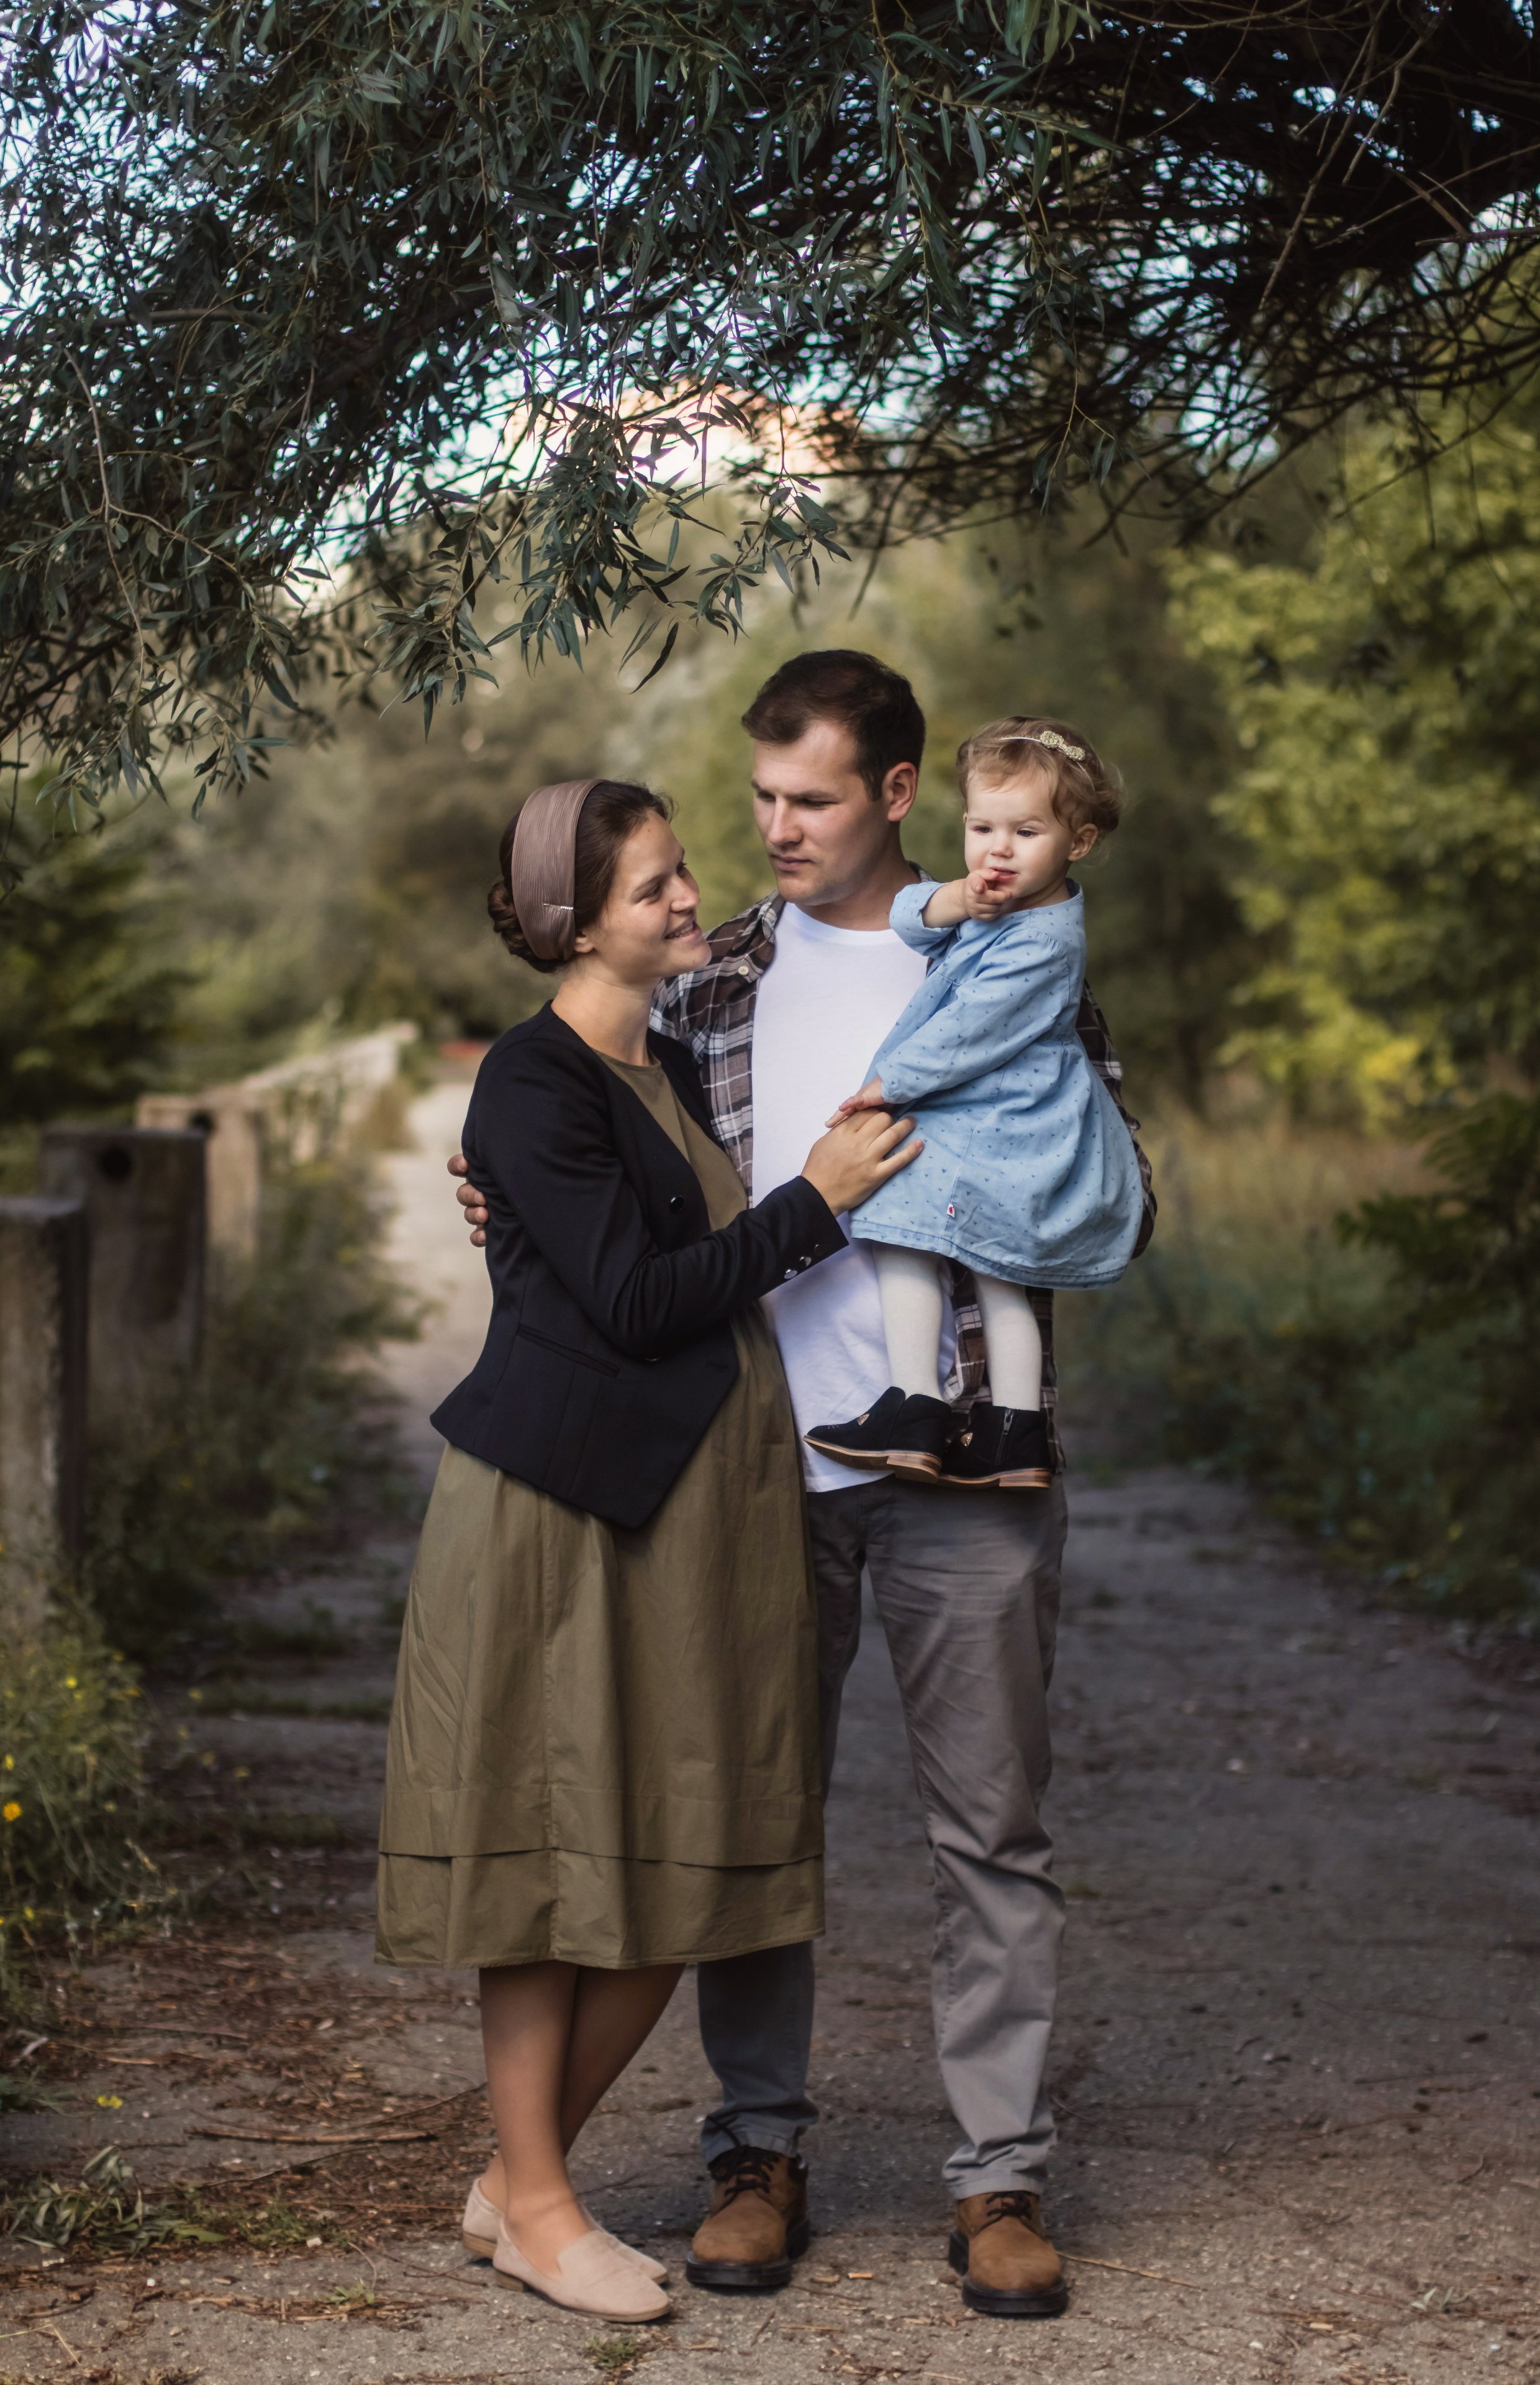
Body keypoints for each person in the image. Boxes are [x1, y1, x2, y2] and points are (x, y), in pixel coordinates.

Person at [450, 656, 1154, 2322]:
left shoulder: (1007, 935)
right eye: (759, 798)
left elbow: (1105, 1167)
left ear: (897, 795)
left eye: (812, 799)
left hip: (963, 1460)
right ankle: (754, 2153)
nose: (774, 830)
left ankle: (999, 2180)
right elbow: (595, 1156)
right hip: (752, 1467)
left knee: (993, 1826)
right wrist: (502, 1187)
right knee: (754, 1826)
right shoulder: (707, 985)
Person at [379, 773, 920, 2325]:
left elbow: (628, 1250)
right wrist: (810, 1205)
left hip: (670, 1513)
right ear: (572, 920)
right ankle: (540, 2203)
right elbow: (632, 1300)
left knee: (669, 1873)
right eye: (653, 888)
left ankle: (514, 2174)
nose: (688, 901)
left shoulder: (666, 1056)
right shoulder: (530, 1084)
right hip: (556, 1514)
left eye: (682, 876)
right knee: (550, 1868)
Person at [807, 716, 1145, 1489]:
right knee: (1000, 1280)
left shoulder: (1045, 940)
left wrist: (885, 1089)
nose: (998, 849)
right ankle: (1009, 1433)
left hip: (1005, 1126)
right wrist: (957, 900)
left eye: (1025, 831)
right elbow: (906, 920)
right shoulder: (1000, 907)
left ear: (1078, 843)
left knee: (894, 1226)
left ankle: (915, 1407)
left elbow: (969, 1032)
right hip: (1001, 1126)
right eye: (981, 828)